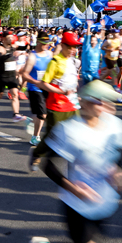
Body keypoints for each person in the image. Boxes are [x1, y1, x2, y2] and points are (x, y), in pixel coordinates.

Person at [29, 80, 122, 243]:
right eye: (100, 101)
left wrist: (119, 172)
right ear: (84, 102)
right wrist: (74, 189)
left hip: (105, 203)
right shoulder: (69, 130)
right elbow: (48, 165)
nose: (107, 106)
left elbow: (120, 157)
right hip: (77, 206)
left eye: (110, 101)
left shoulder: (115, 125)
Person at [28, 31, 81, 172]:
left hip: (72, 104)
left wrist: (75, 94)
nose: (72, 49)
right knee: (53, 136)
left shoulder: (73, 61)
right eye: (70, 46)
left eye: (75, 47)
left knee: (78, 132)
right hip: (57, 105)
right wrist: (61, 92)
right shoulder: (55, 62)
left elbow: (72, 82)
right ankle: (36, 154)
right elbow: (44, 83)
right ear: (62, 45)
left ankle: (76, 166)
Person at [21, 33, 54, 146]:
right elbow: (24, 74)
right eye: (45, 43)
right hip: (35, 88)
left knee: (46, 113)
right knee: (42, 114)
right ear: (38, 42)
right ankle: (35, 137)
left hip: (47, 87)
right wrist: (36, 83)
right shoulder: (32, 56)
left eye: (48, 43)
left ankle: (32, 121)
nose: (47, 45)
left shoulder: (49, 54)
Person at [0, 31, 25, 122]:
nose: (11, 39)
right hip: (3, 76)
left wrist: (26, 45)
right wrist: (11, 54)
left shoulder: (13, 46)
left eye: (12, 37)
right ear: (3, 38)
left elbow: (24, 47)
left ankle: (16, 114)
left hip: (12, 75)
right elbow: (1, 56)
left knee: (15, 94)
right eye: (9, 37)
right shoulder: (1, 48)